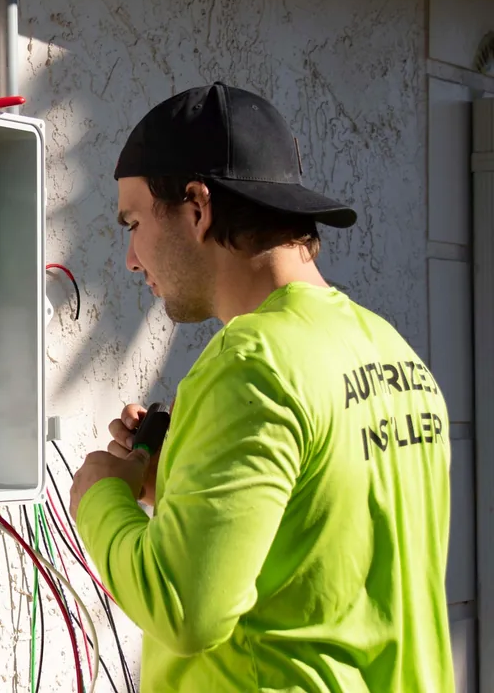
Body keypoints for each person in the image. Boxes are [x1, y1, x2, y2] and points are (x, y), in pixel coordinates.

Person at [67, 82, 454, 692]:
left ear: (197, 206)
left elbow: (185, 609)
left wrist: (97, 496)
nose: (130, 259)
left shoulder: (252, 365)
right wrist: (178, 477)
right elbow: (318, 536)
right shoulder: (392, 354)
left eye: (133, 222)